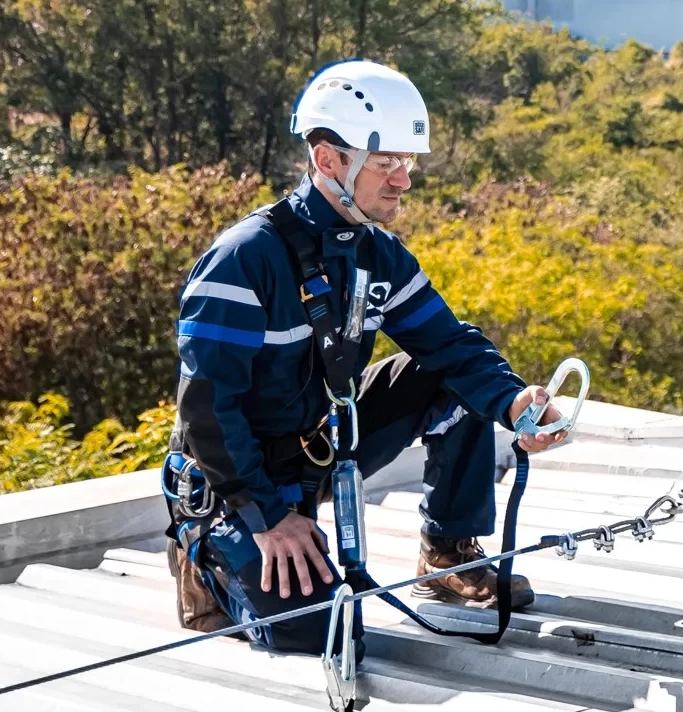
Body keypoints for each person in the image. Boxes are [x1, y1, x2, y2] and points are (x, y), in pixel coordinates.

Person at [165, 59, 569, 648]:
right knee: (320, 629)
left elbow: (450, 345)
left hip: (318, 449)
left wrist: (514, 403)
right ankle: (205, 558)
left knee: (448, 377)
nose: (403, 180)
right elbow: (207, 409)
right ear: (328, 159)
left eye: (407, 163)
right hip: (239, 478)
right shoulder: (244, 259)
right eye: (386, 164)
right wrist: (268, 518)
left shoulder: (377, 254)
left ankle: (447, 548)